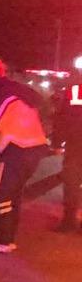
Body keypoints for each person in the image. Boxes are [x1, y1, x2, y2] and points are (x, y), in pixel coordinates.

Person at [0, 70, 50, 252]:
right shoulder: (23, 98)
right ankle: (8, 236)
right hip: (34, 150)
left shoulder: (6, 99)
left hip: (16, 151)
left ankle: (3, 241)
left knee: (4, 195)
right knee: (15, 195)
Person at [51, 72, 82, 232]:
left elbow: (63, 116)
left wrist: (57, 141)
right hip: (75, 142)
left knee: (71, 182)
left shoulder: (74, 89)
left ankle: (69, 222)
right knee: (71, 181)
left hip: (75, 142)